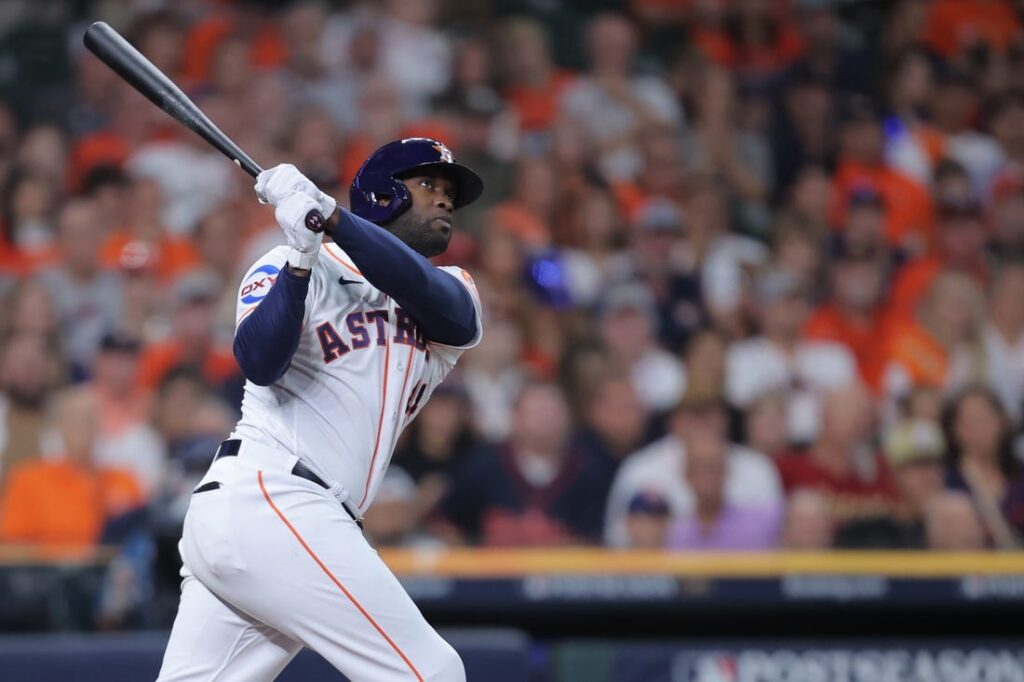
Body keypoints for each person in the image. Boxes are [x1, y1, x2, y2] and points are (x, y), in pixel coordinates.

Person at [158, 138, 485, 681]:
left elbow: (445, 308)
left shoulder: (451, 289)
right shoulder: (290, 258)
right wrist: (302, 259)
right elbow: (260, 361)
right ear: (383, 194)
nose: (445, 201)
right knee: (430, 672)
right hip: (272, 494)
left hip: (291, 522)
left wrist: (331, 217)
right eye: (429, 186)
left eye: (450, 193)